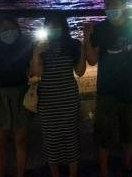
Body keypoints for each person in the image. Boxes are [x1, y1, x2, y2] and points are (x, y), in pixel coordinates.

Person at [84, 0, 132, 177]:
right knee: (103, 135)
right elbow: (92, 60)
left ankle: (127, 166)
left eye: (115, 4)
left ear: (124, 6)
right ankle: (104, 170)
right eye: (107, 5)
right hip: (106, 91)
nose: (110, 8)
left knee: (129, 133)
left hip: (130, 89)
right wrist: (86, 37)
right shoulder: (100, 29)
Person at [31, 15, 86, 177]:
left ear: (64, 27)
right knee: (51, 139)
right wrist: (36, 54)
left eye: (57, 25)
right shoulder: (41, 47)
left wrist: (82, 49)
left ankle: (73, 174)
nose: (54, 28)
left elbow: (80, 72)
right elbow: (37, 74)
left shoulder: (73, 45)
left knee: (71, 137)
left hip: (68, 99)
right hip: (47, 100)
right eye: (50, 25)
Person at [0, 17, 34, 177]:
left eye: (11, 27)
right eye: (3, 29)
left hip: (21, 92)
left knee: (21, 140)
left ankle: (20, 174)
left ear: (18, 29)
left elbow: (31, 71)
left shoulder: (26, 45)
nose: (8, 31)